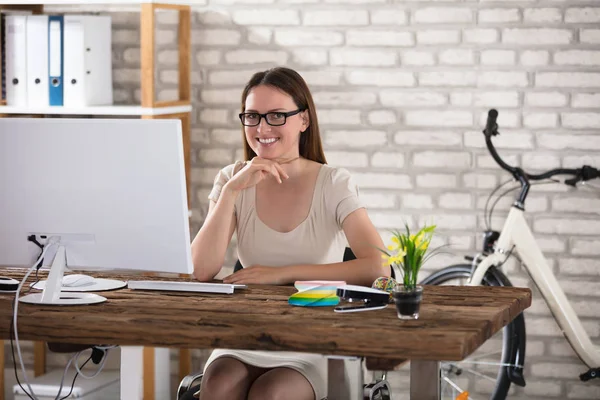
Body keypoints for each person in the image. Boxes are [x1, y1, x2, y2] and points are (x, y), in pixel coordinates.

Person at [188, 66, 388, 400]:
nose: (262, 128)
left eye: (277, 116)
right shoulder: (231, 179)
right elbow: (199, 270)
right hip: (249, 335)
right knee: (219, 382)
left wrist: (280, 275)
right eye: (252, 116)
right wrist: (231, 193)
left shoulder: (334, 183)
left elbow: (379, 267)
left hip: (317, 337)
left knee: (273, 392)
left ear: (304, 120)